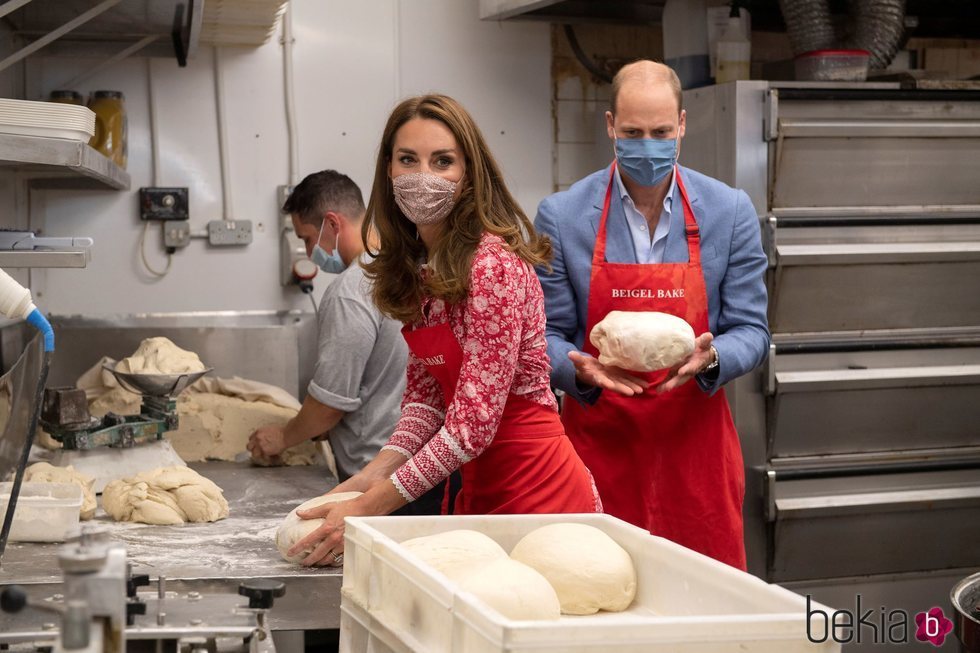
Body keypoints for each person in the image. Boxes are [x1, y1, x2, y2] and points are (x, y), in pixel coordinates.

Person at [286, 94, 601, 566]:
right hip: (479, 489)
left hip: (541, 493)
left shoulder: (493, 267)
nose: (423, 176)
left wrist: (372, 507)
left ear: (468, 175)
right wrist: (367, 478)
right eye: (408, 160)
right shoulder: (420, 271)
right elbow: (425, 402)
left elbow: (472, 427)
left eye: (443, 161)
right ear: (388, 171)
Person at [533, 60, 770, 570]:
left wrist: (711, 360)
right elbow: (546, 332)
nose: (648, 144)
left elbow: (753, 330)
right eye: (634, 132)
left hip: (696, 454)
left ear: (682, 125)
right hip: (598, 452)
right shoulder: (563, 216)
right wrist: (576, 367)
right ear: (610, 125)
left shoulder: (729, 212)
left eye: (661, 132)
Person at [246, 171, 408, 485]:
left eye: (307, 239)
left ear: (333, 224)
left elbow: (329, 405)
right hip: (417, 470)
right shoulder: (403, 268)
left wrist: (282, 437)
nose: (309, 254)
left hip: (374, 477)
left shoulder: (351, 290)